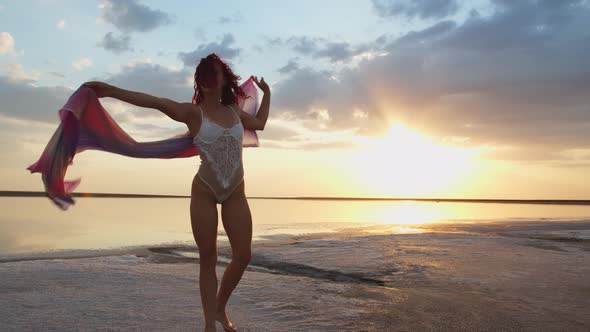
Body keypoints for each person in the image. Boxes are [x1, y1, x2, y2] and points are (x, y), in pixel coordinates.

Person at [83, 53, 271, 332]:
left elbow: (260, 124)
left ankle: (220, 309)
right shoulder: (192, 113)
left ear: (222, 79)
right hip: (204, 191)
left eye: (213, 73)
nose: (208, 80)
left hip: (235, 191)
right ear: (200, 82)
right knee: (207, 258)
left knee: (243, 255)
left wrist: (268, 94)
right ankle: (210, 324)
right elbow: (155, 102)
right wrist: (110, 91)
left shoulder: (234, 112)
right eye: (203, 76)